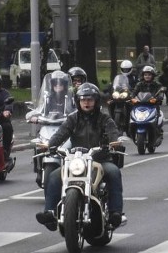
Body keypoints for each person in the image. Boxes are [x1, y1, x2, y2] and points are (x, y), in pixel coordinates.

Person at [35, 83, 125, 230]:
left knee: (114, 172)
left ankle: (116, 213)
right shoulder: (73, 119)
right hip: (76, 160)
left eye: (90, 99)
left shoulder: (104, 119)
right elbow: (61, 134)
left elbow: (112, 131)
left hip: (100, 160)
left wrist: (114, 142)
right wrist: (50, 145)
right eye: (83, 99)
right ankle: (50, 213)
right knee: (54, 176)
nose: (86, 102)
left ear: (96, 101)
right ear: (78, 101)